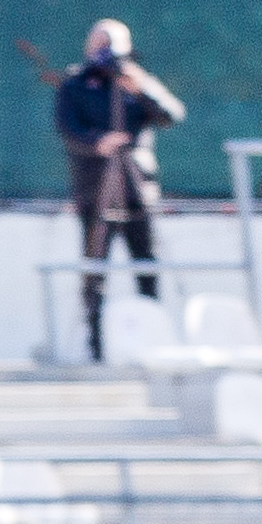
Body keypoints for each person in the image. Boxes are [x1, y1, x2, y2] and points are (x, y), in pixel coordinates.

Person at [57, 19, 186, 364]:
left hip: (136, 188)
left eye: (111, 45)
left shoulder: (136, 80)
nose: (105, 53)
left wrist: (140, 89)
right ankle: (95, 345)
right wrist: (99, 142)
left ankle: (155, 342)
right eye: (99, 44)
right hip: (95, 189)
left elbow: (172, 115)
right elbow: (67, 129)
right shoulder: (75, 84)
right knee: (95, 267)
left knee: (146, 263)